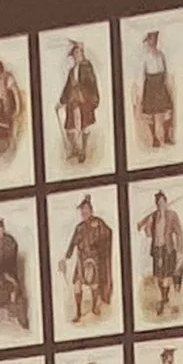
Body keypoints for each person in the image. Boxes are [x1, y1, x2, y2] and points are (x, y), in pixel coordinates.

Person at [60, 195, 115, 325]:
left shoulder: (98, 223)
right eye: (82, 211)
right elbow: (72, 243)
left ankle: (95, 305)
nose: (84, 213)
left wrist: (99, 228)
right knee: (77, 285)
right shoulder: (79, 227)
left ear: (91, 210)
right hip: (81, 259)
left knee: (94, 285)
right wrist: (65, 257)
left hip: (94, 259)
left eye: (86, 210)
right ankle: (78, 312)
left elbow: (108, 233)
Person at [0, 210, 29, 336]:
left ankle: (15, 315)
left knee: (14, 286)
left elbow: (12, 256)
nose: (0, 232)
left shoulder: (9, 241)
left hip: (8, 271)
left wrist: (8, 273)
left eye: (1, 230)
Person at [55, 35, 101, 164]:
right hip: (72, 102)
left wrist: (82, 92)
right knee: (70, 128)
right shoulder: (71, 70)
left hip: (84, 101)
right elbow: (67, 88)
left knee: (84, 126)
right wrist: (60, 102)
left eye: (77, 52)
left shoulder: (87, 67)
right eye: (74, 54)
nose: (75, 56)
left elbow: (91, 84)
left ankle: (83, 152)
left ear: (81, 52)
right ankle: (75, 149)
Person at [143, 188, 183, 319]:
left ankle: (164, 301)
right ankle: (165, 297)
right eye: (159, 202)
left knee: (167, 277)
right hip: (157, 250)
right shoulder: (154, 216)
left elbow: (179, 233)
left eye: (163, 201)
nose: (161, 204)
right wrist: (147, 225)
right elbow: (149, 234)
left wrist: (179, 250)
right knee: (159, 277)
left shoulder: (172, 215)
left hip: (168, 250)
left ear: (166, 202)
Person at [133, 27, 177, 152]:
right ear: (148, 41)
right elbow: (141, 75)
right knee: (151, 114)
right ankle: (154, 139)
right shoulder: (145, 57)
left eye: (156, 39)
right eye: (152, 39)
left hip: (160, 83)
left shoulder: (161, 54)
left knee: (167, 111)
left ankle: (167, 137)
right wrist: (140, 93)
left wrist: (165, 82)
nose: (154, 41)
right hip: (150, 85)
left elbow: (166, 70)